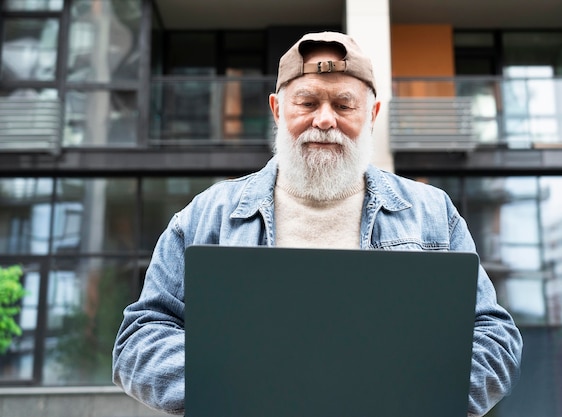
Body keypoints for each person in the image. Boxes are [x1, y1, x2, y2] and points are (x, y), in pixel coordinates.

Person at [112, 31, 523, 417]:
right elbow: (139, 342)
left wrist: (399, 393)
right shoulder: (207, 215)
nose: (324, 120)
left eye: (344, 105)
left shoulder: (434, 213)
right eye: (307, 103)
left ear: (372, 114)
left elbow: (496, 341)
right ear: (277, 109)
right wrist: (245, 387)